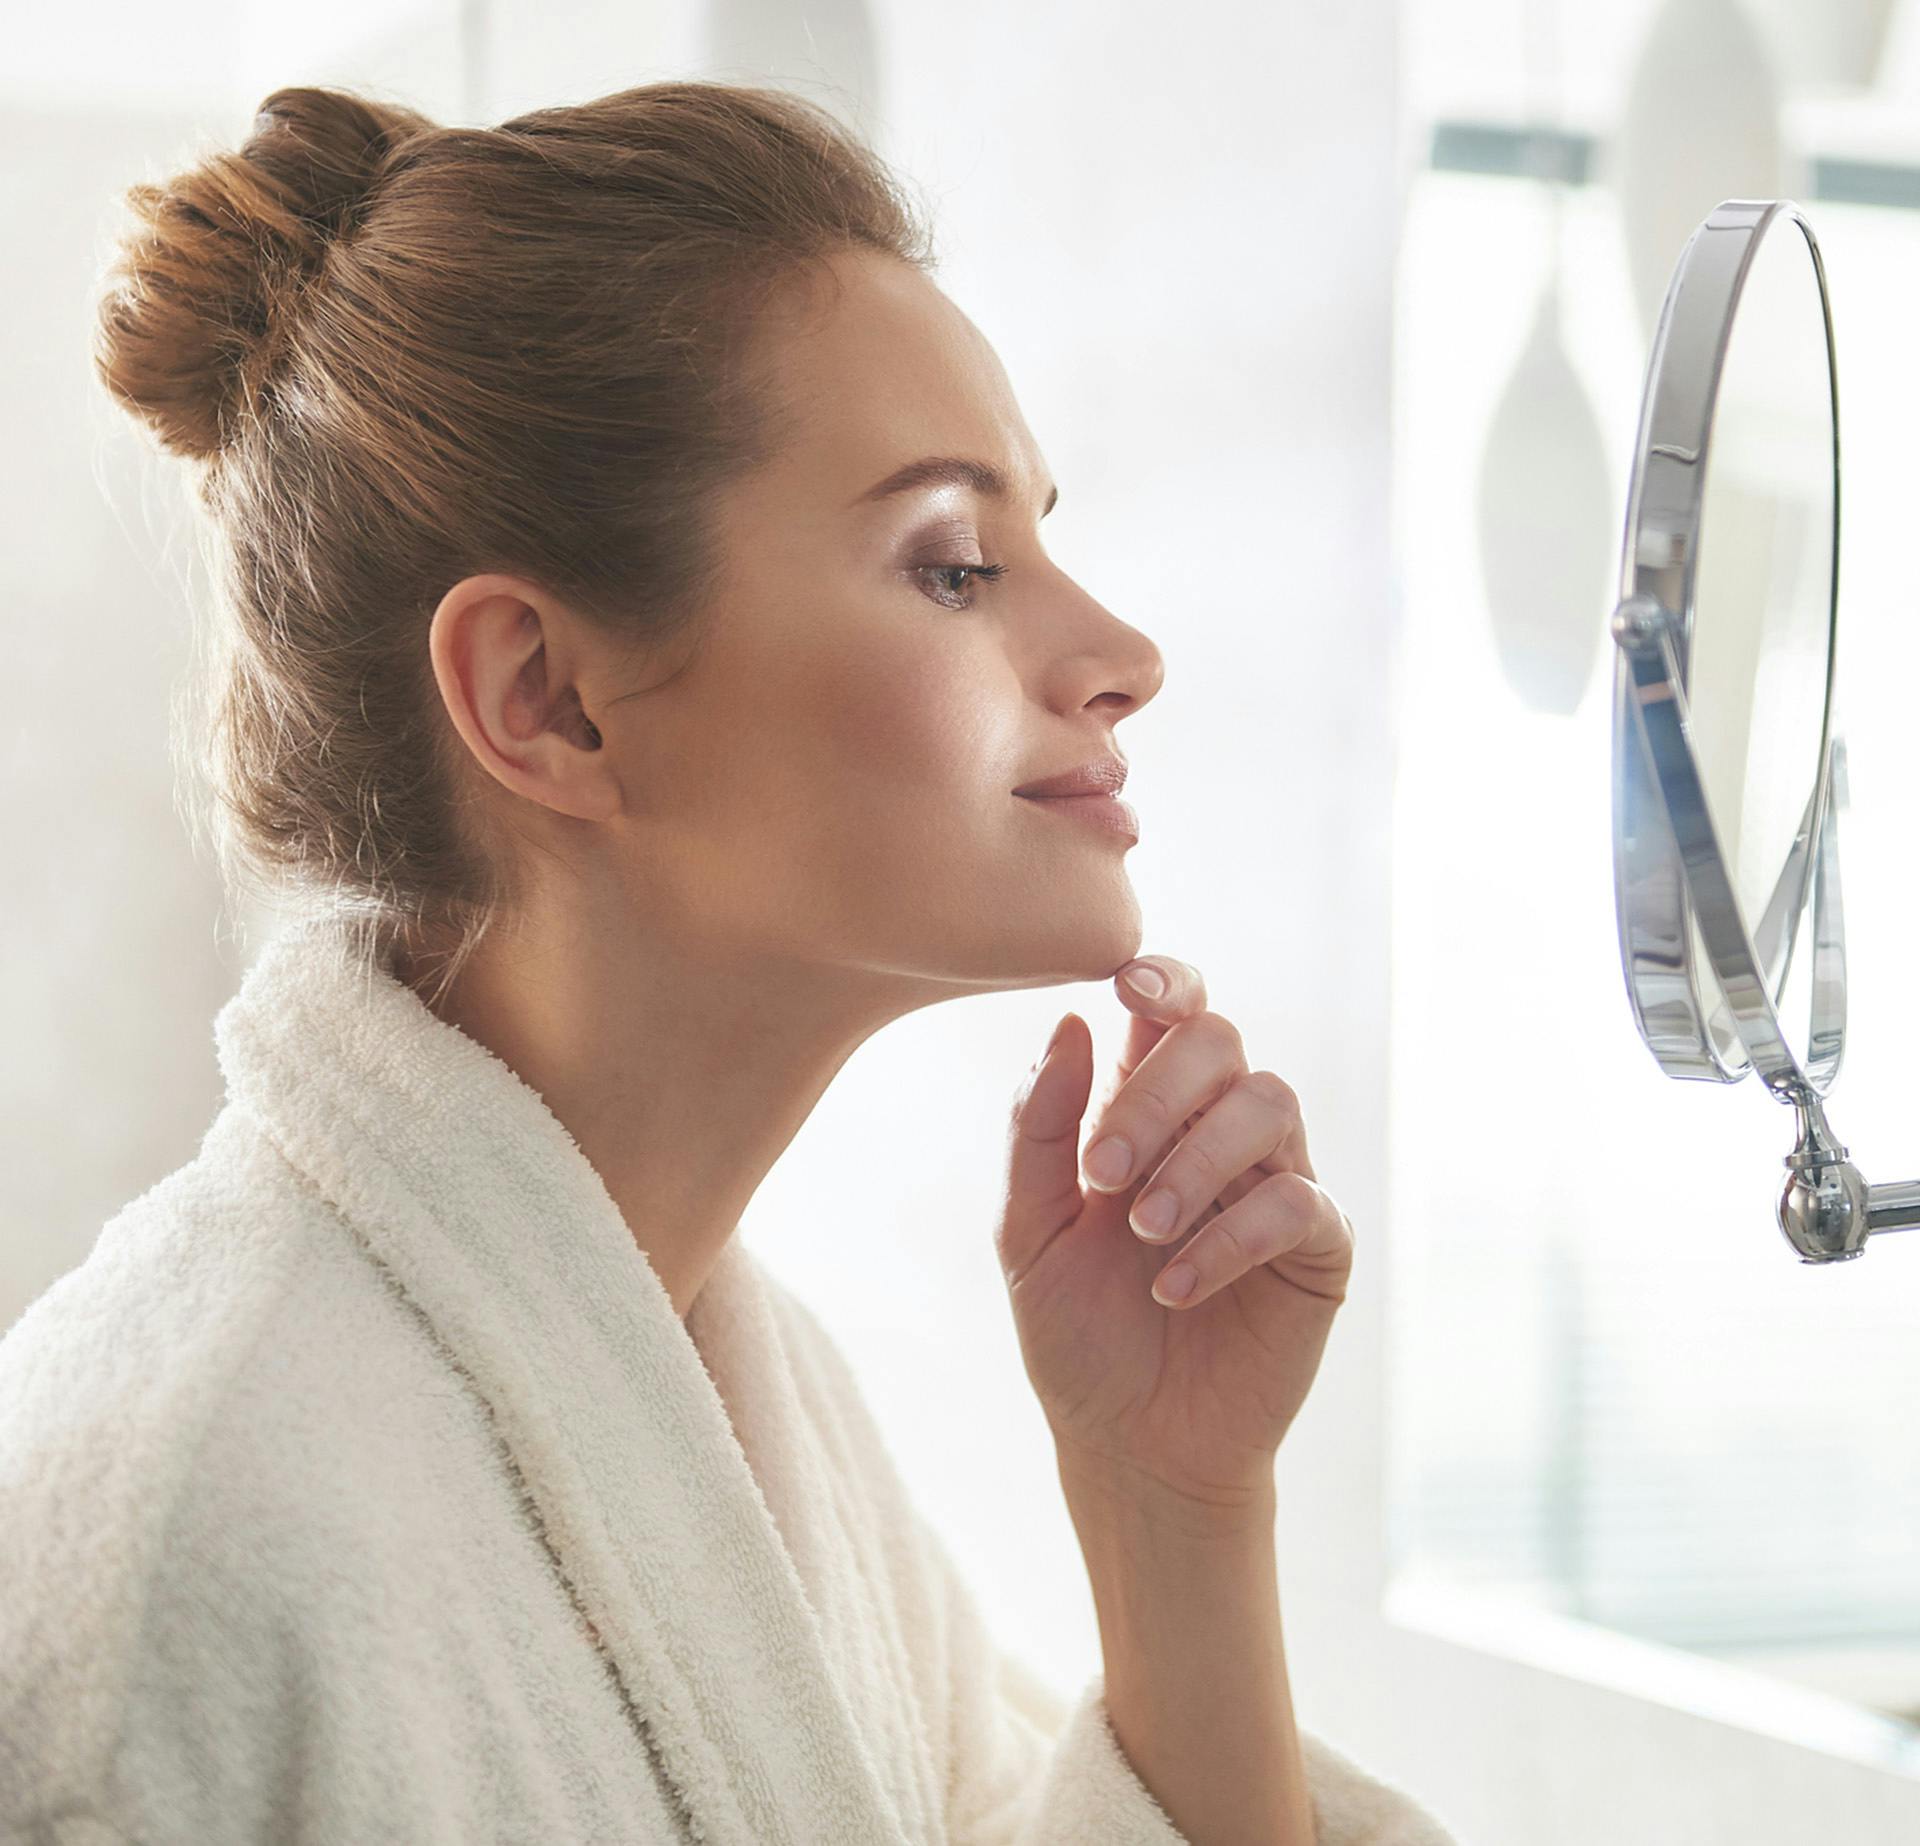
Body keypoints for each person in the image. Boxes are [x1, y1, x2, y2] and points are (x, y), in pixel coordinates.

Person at [0, 81, 1459, 1844]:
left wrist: (1175, 1509)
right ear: (546, 697)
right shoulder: (183, 1556)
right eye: (954, 565)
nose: (1123, 651)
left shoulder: (762, 1436)